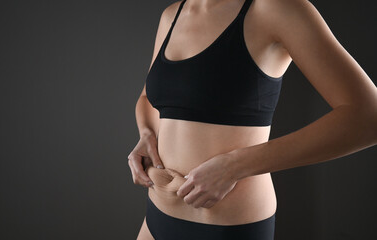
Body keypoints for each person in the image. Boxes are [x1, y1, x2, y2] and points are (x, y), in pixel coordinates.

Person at [127, 0, 377, 239]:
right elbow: (150, 97)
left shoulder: (274, 8)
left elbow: (369, 117)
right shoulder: (172, 14)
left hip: (227, 229)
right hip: (157, 217)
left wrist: (235, 165)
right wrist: (147, 133)